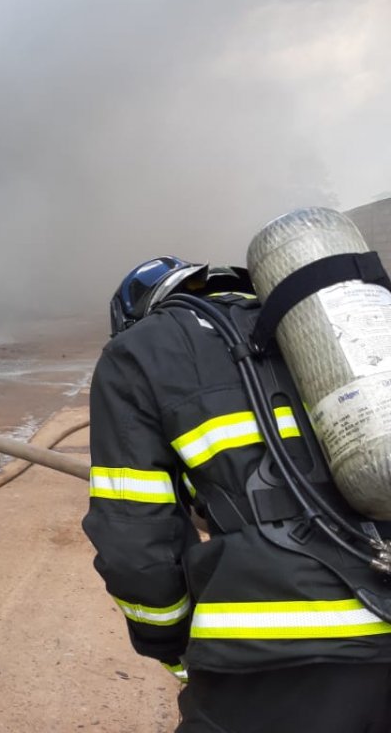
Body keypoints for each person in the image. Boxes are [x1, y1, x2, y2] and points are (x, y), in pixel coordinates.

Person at [83, 256, 391, 733]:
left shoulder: (139, 352)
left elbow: (134, 548)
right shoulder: (320, 329)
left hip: (280, 653)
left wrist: (172, 646)